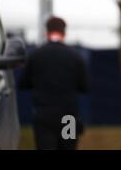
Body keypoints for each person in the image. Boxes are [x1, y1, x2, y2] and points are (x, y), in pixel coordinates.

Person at [19, 16, 89, 150]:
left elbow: (23, 83)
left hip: (44, 116)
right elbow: (84, 86)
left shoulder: (35, 55)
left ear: (47, 32)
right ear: (64, 32)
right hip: (69, 117)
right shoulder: (75, 57)